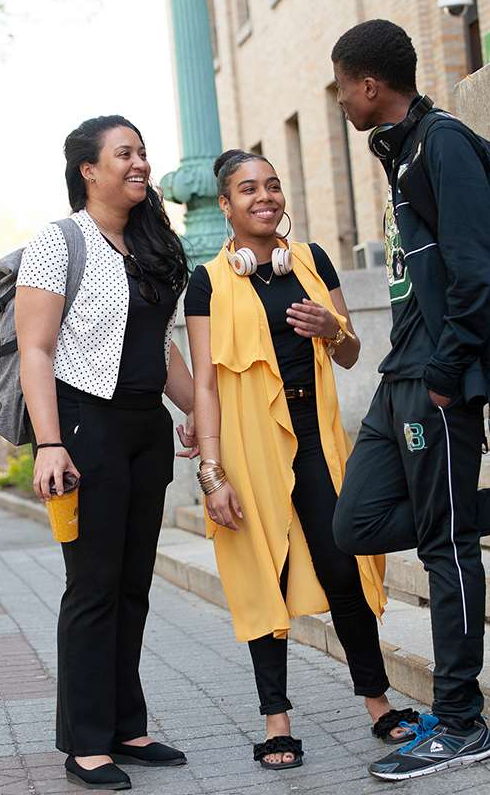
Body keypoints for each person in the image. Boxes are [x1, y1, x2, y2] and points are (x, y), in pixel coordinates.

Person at [330, 20, 490, 782]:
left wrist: (446, 372)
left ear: (370, 85)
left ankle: (462, 721)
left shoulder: (439, 143)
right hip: (399, 374)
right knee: (357, 522)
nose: (341, 97)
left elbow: (479, 270)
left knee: (445, 548)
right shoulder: (402, 151)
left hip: (436, 379)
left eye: (342, 85)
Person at [185, 149, 418, 771]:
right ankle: (276, 722)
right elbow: (205, 385)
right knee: (264, 574)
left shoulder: (312, 261)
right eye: (247, 189)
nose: (264, 197)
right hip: (247, 444)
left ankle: (377, 702)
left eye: (273, 185)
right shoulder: (207, 282)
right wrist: (212, 474)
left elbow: (350, 351)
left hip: (316, 436)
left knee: (344, 562)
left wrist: (330, 327)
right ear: (227, 206)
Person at [15, 114, 198, 791]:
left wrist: (196, 413)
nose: (140, 163)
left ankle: (128, 723)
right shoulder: (59, 243)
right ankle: (85, 740)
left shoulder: (149, 245)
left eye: (143, 152)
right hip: (84, 427)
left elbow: (162, 347)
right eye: (125, 154)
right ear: (89, 170)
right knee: (92, 586)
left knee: (132, 583)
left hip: (145, 428)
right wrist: (50, 443)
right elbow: (36, 348)